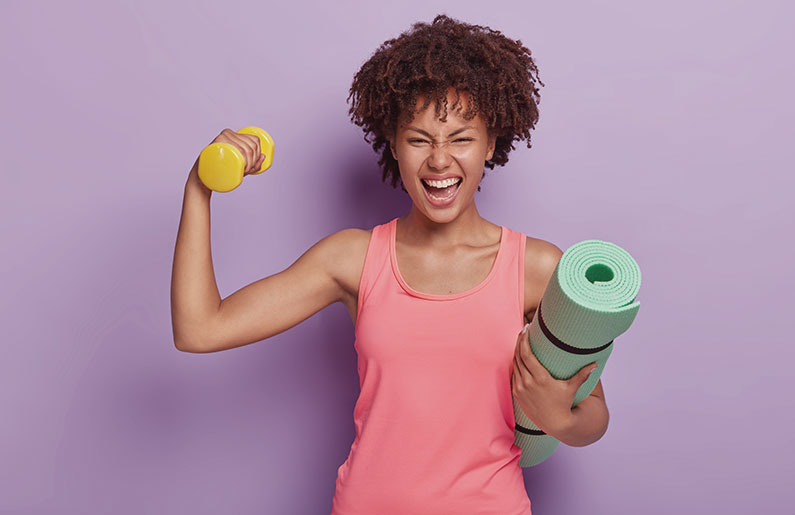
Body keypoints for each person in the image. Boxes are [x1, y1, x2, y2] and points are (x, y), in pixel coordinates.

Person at [171, 13, 608, 515]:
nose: (439, 160)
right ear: (394, 144)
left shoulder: (536, 268)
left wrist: (561, 418)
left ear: (490, 143)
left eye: (461, 138)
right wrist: (199, 188)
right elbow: (199, 330)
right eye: (419, 139)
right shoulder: (352, 259)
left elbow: (594, 415)